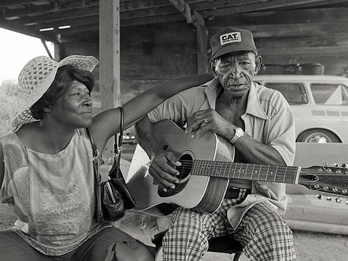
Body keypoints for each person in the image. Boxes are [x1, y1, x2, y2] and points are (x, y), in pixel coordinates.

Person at [0, 55, 213, 261]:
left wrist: (212, 76)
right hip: (31, 244)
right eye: (76, 95)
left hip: (88, 240)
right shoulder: (8, 151)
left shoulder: (93, 134)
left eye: (87, 93)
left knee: (136, 257)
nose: (88, 102)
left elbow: (155, 96)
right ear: (46, 104)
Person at [135, 27, 297, 261]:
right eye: (226, 65)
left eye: (244, 63)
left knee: (277, 242)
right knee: (180, 241)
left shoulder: (273, 103)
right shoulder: (195, 98)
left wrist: (231, 132)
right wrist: (155, 153)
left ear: (257, 65)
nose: (236, 73)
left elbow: (281, 166)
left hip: (253, 202)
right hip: (197, 202)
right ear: (214, 68)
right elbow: (143, 119)